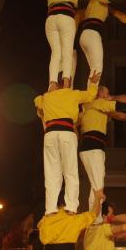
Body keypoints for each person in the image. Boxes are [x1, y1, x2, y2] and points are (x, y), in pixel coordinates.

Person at [34, 71, 100, 214]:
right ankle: (71, 206)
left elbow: (37, 102)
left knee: (52, 173)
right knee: (70, 171)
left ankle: (50, 208)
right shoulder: (72, 93)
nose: (68, 82)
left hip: (50, 134)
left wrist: (50, 89)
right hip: (66, 132)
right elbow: (90, 95)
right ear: (66, 82)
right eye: (68, 79)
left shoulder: (46, 96)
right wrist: (93, 83)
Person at [43, 0, 92, 90]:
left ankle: (52, 83)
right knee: (67, 52)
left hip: (51, 19)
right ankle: (66, 83)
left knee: (55, 53)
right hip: (65, 16)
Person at [78, 86, 117, 215]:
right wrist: (112, 99)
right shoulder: (98, 102)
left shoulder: (87, 106)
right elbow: (117, 106)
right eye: (107, 93)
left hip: (87, 147)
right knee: (98, 184)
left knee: (95, 183)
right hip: (94, 147)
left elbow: (75, 121)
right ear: (100, 94)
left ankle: (94, 214)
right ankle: (96, 218)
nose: (108, 96)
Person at [79, 0, 111, 83]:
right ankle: (91, 94)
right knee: (97, 68)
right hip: (92, 34)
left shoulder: (92, 2)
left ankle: (90, 92)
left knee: (93, 69)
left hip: (84, 36)